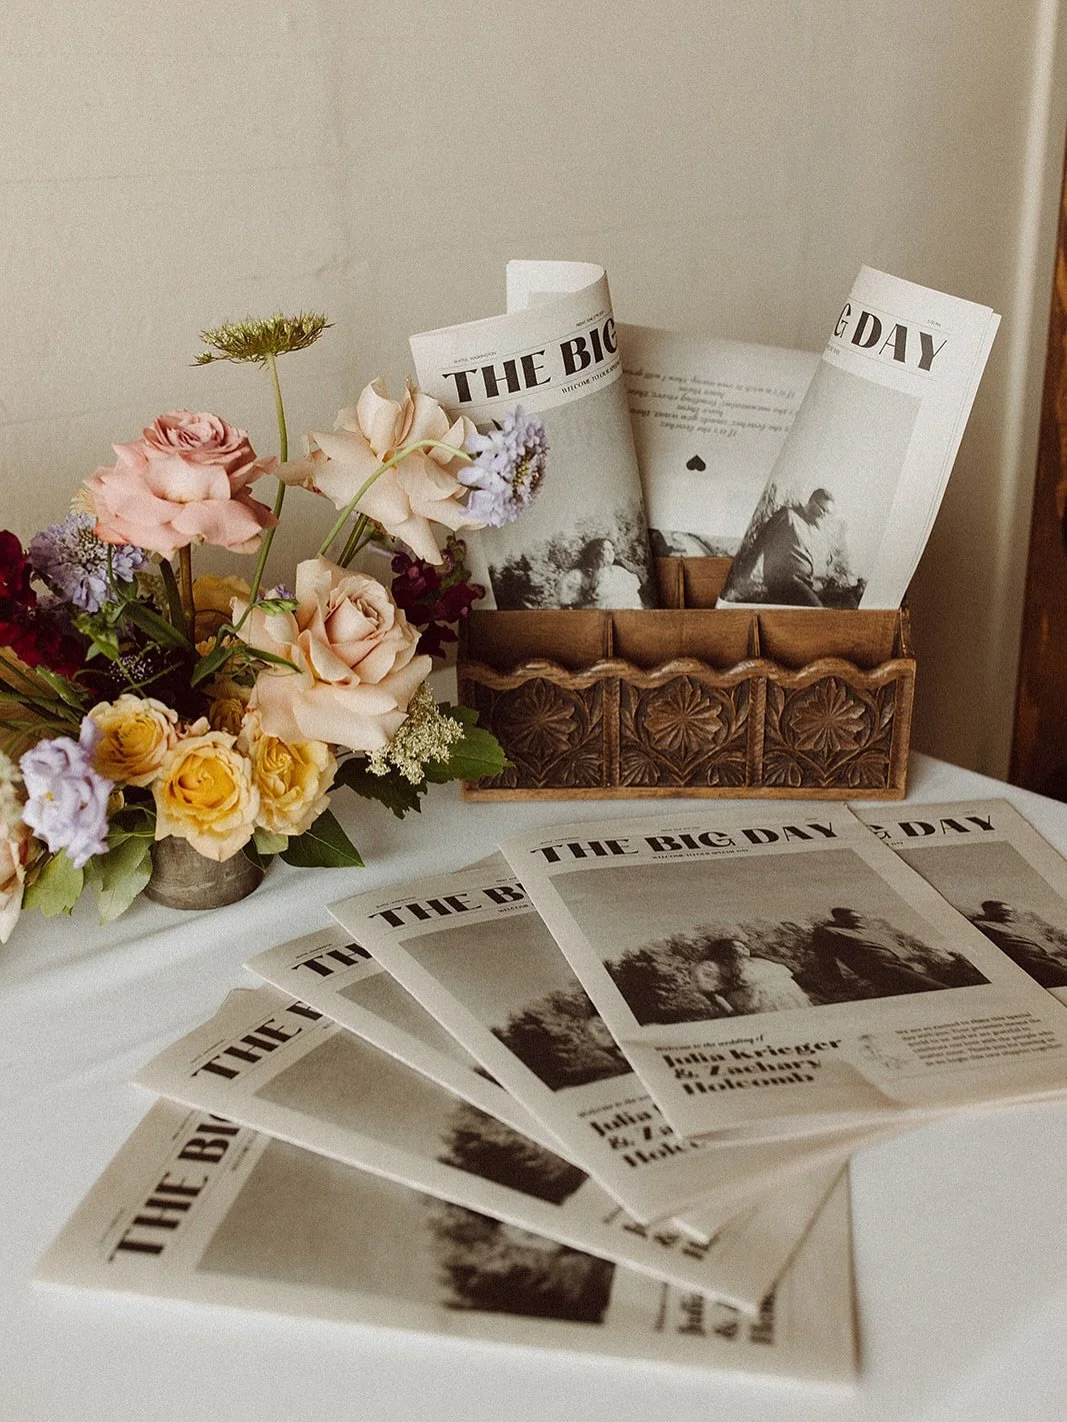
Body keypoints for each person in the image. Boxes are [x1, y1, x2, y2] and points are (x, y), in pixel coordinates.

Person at [731, 488, 837, 606]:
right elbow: (761, 540)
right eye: (823, 510)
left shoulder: (812, 528)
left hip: (804, 583)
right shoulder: (787, 515)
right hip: (783, 580)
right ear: (812, 501)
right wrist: (743, 576)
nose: (824, 516)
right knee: (816, 608)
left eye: (828, 513)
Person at [810, 907, 945, 996]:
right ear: (839, 919)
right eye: (852, 917)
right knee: (941, 991)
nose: (858, 918)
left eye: (858, 917)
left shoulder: (873, 932)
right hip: (884, 970)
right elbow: (826, 960)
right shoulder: (829, 932)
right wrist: (838, 984)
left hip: (908, 968)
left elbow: (900, 948)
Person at [693, 936, 812, 1015]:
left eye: (744, 946)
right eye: (738, 947)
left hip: (787, 1002)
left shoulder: (758, 961)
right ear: (726, 950)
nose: (744, 948)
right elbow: (713, 994)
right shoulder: (717, 966)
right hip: (757, 1006)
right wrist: (730, 1011)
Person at [969, 900, 1067, 989]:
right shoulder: (983, 926)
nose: (1008, 914)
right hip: (1037, 965)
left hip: (1058, 960)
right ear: (989, 912)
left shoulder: (1026, 927)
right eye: (1002, 912)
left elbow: (1052, 944)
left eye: (1010, 912)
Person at [555, 537, 643, 609]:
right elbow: (567, 604)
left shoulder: (619, 572)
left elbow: (633, 600)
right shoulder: (578, 575)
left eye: (612, 549)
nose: (611, 553)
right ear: (595, 552)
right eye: (606, 550)